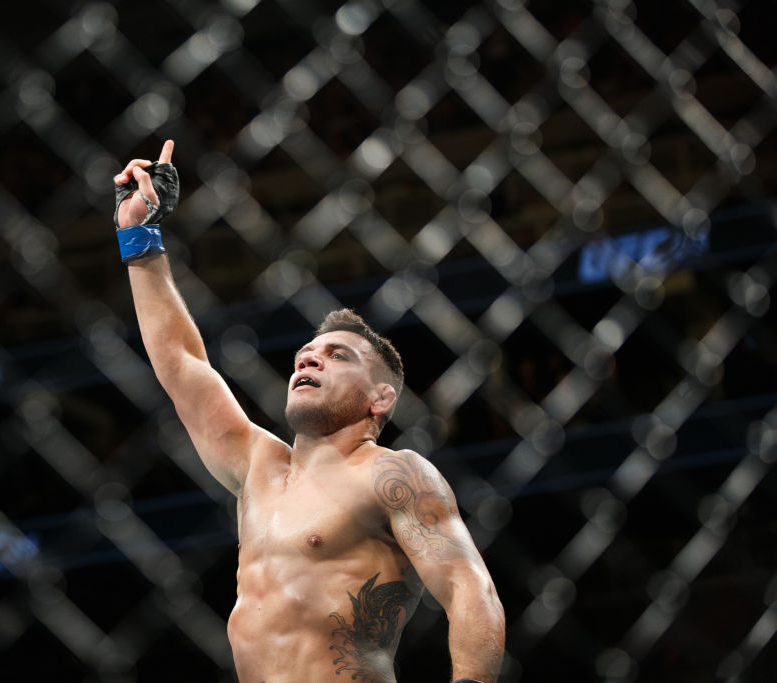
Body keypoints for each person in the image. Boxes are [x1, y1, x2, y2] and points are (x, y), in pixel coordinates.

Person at [113, 140, 505, 682]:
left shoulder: (392, 474)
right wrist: (139, 235)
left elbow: (467, 587)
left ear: (380, 399)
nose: (310, 359)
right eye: (306, 354)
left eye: (338, 356)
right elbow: (182, 364)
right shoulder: (258, 464)